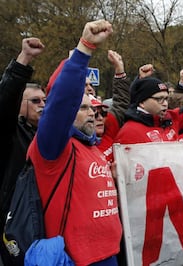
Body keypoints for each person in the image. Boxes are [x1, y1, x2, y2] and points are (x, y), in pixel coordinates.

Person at [27, 20, 122, 265]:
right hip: (76, 259)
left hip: (108, 253)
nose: (92, 113)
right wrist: (84, 50)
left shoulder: (91, 145)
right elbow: (61, 105)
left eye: (92, 107)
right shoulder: (53, 146)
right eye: (81, 108)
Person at [0, 37, 45, 264]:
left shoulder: (47, 136)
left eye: (44, 100)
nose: (42, 105)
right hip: (14, 226)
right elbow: (5, 99)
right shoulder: (12, 133)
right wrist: (24, 59)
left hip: (44, 222)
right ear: (20, 104)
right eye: (35, 101)